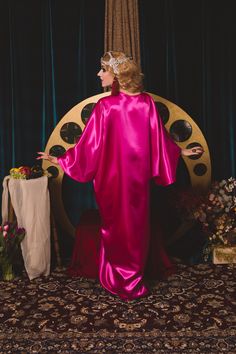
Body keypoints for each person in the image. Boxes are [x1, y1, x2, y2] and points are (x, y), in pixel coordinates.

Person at [37, 51, 203, 301]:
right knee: (132, 226)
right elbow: (160, 142)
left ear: (115, 76)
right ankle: (131, 279)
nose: (99, 74)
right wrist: (181, 150)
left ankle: (121, 278)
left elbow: (88, 148)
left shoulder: (106, 106)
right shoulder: (144, 103)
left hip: (113, 183)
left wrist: (62, 159)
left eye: (103, 70)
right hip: (133, 184)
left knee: (119, 227)